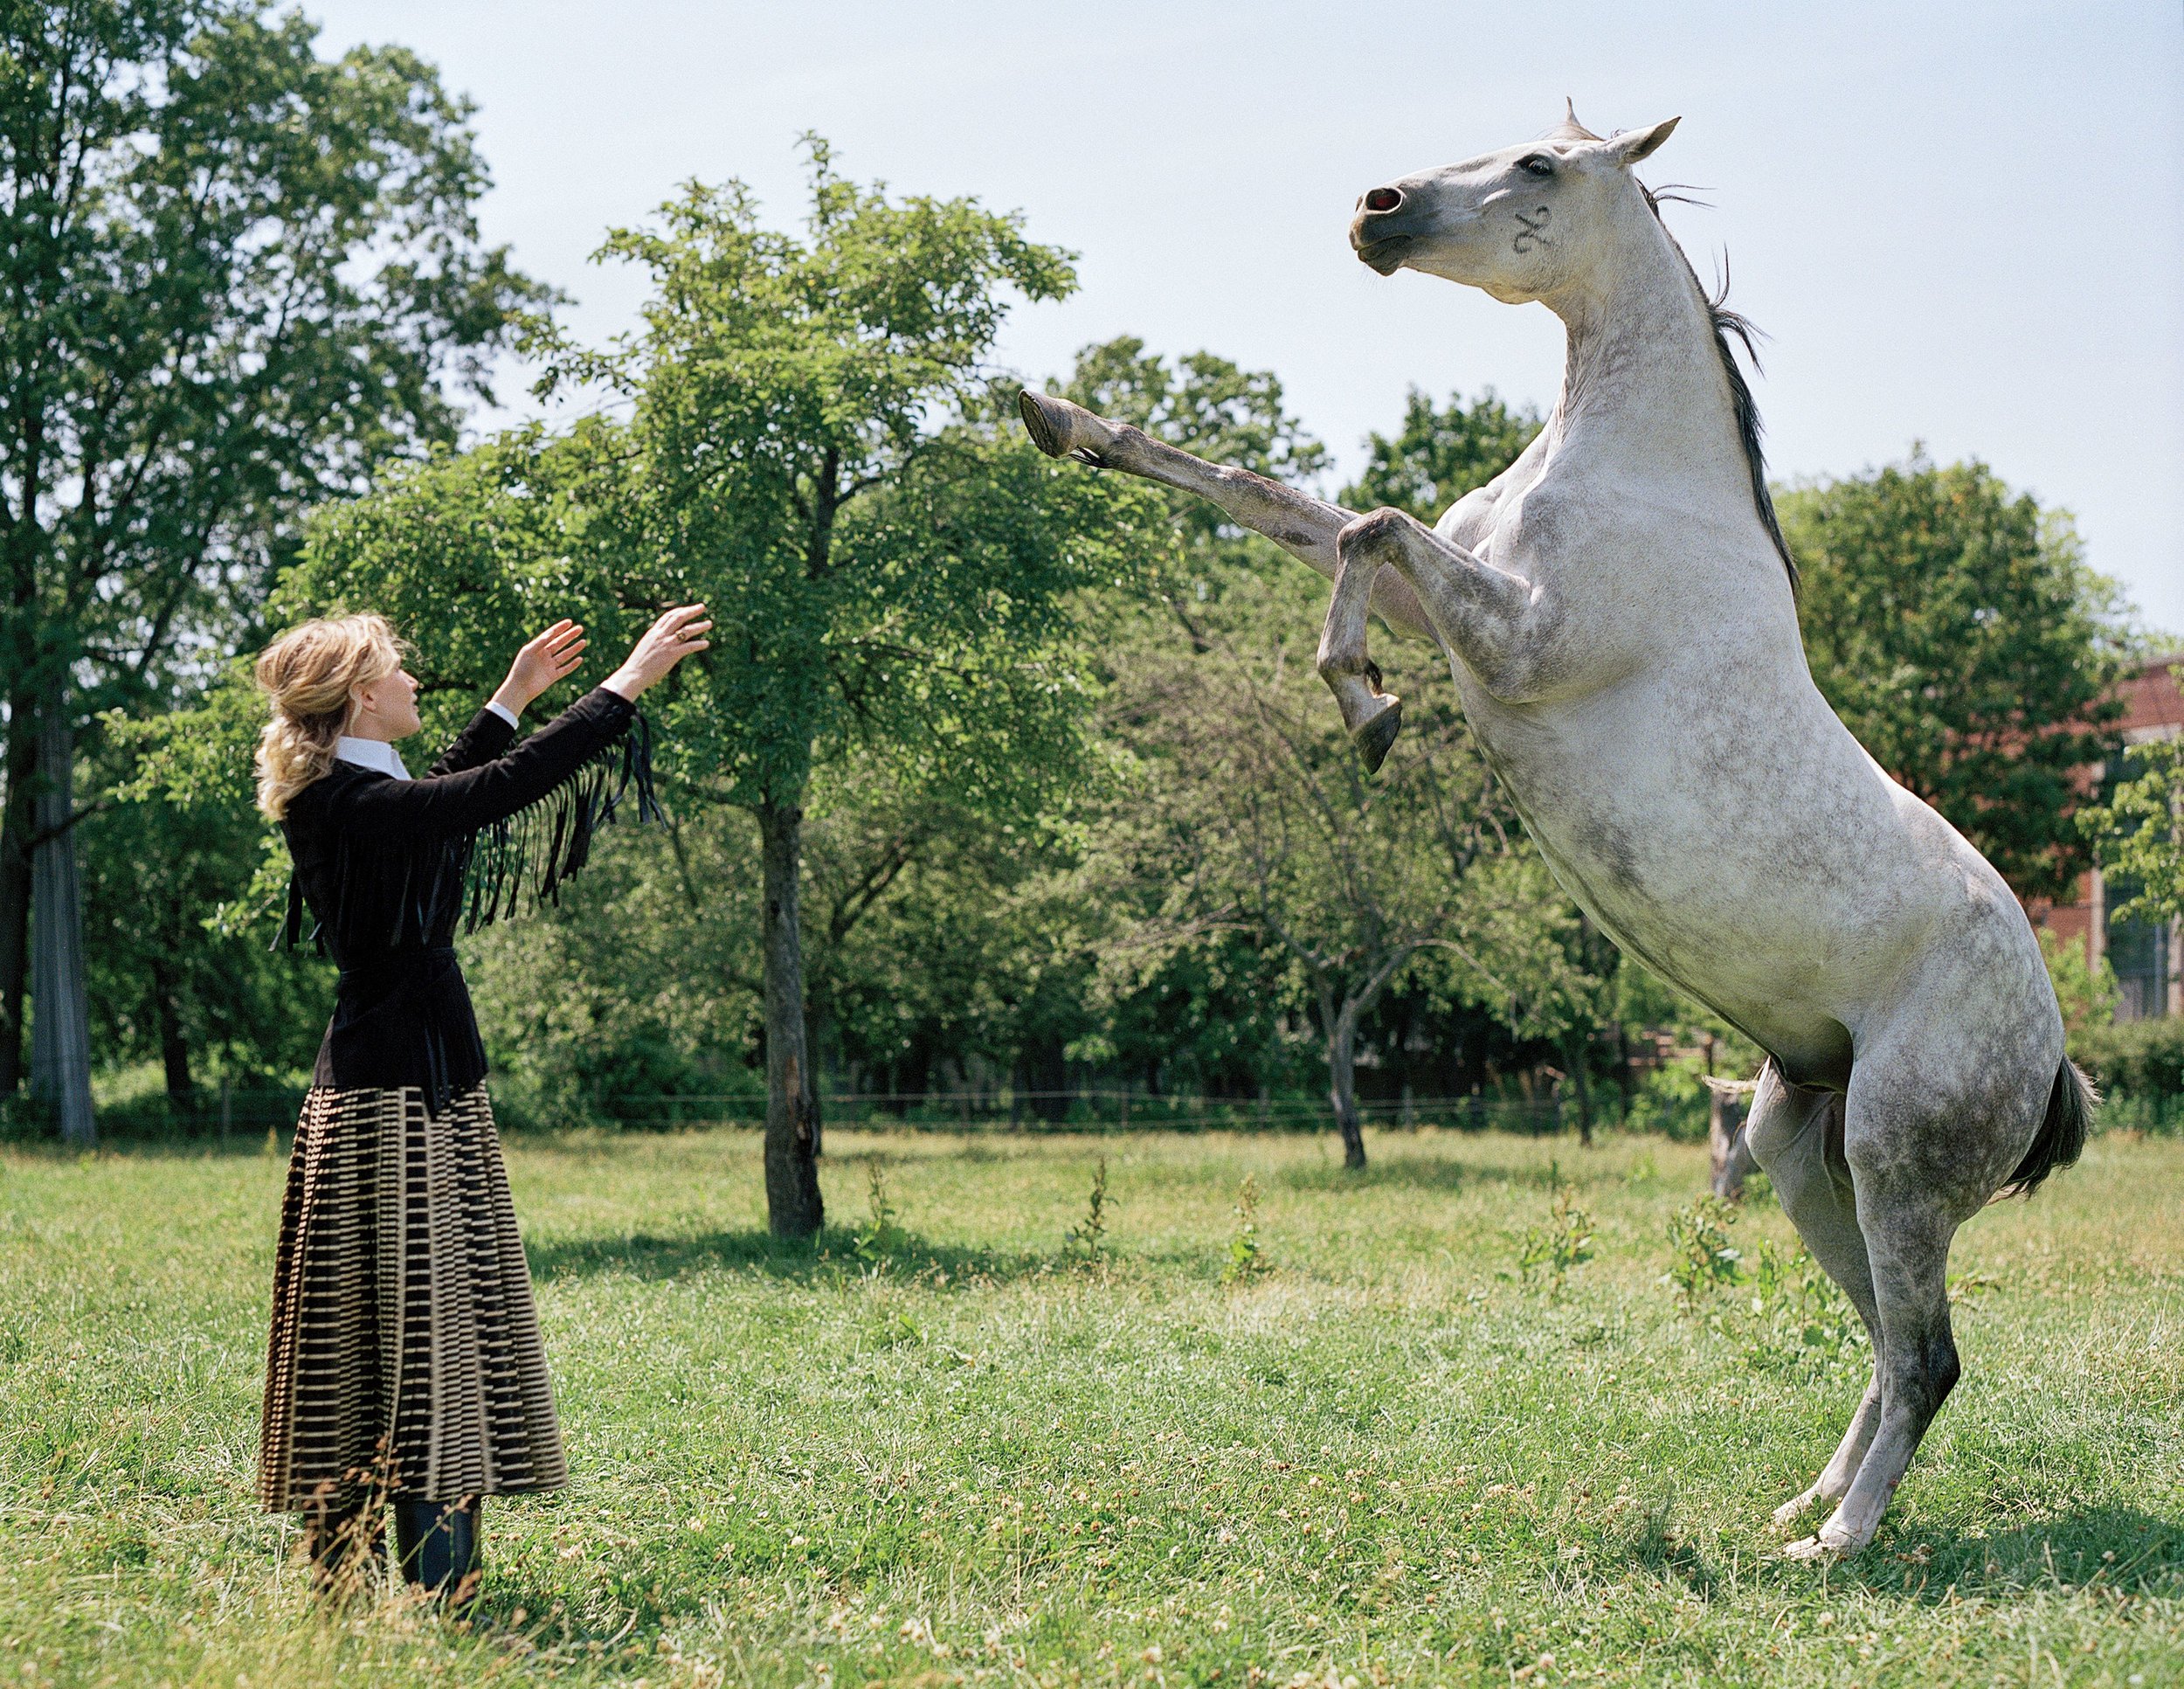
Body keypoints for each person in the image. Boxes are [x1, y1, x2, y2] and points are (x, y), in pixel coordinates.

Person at [249, 603, 709, 1603]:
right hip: (391, 1106)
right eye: (399, 671)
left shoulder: (359, 789)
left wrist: (513, 695)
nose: (415, 682)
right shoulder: (347, 805)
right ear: (363, 697)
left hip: (415, 1087)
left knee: (410, 1331)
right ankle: (411, 1580)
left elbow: (452, 786)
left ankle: (391, 1576)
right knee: (417, 1331)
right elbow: (491, 793)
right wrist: (623, 685)